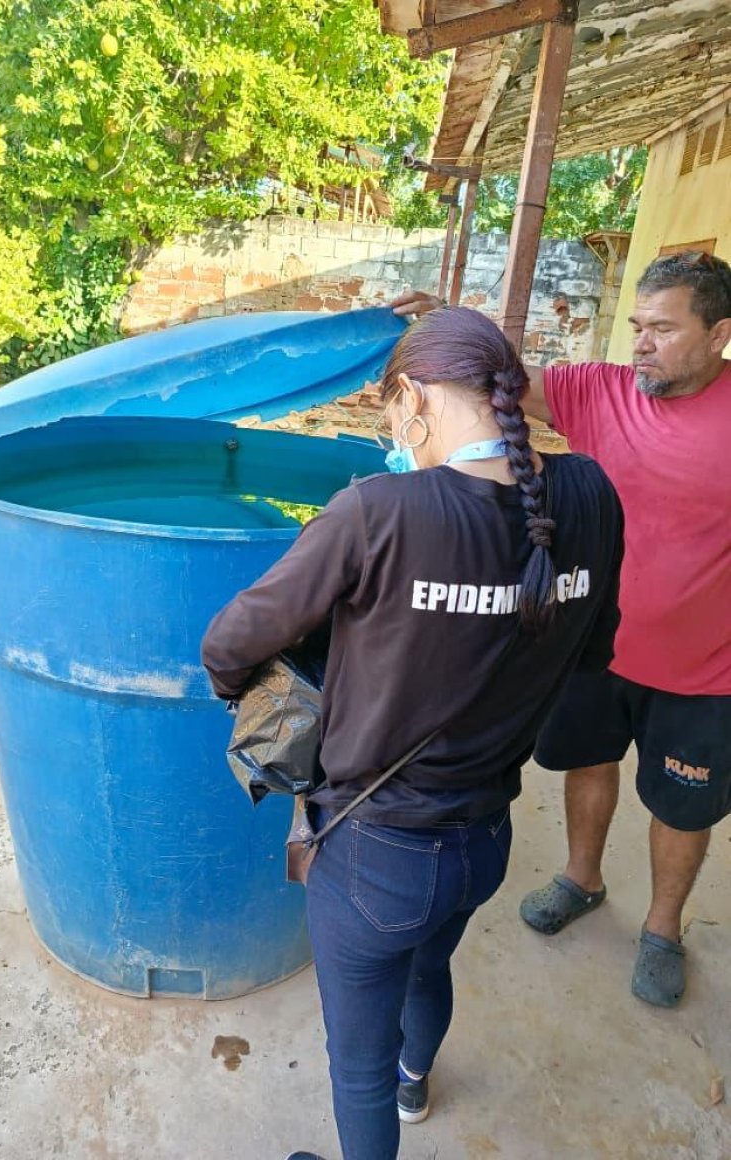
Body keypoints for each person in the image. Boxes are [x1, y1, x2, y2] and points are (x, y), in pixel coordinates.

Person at [201, 307, 624, 1160]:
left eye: (391, 412)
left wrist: (252, 695)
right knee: (429, 969)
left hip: (375, 854)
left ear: (415, 398)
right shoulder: (590, 495)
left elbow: (228, 643)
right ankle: (416, 1083)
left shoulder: (379, 511)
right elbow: (591, 653)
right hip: (485, 840)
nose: (394, 432)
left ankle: (389, 1094)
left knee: (354, 1065)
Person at [392, 251, 731, 1009]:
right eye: (637, 326)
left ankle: (663, 929)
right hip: (594, 644)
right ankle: (582, 878)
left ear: (719, 335)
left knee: (681, 807)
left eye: (664, 329)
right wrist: (442, 319)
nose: (641, 344)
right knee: (587, 762)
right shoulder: (598, 391)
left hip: (706, 670)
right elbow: (494, 378)